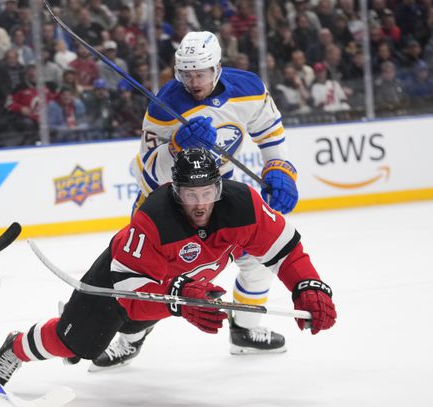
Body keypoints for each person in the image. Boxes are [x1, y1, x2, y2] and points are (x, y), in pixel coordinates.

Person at [0, 149, 336, 384]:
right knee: (77, 342)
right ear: (175, 192)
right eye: (190, 195)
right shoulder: (153, 219)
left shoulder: (244, 205)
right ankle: (17, 347)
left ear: (219, 187)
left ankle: (134, 334)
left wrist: (307, 285)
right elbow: (130, 295)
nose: (200, 204)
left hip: (175, 287)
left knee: (157, 309)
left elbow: (287, 251)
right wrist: (178, 299)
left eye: (207, 193)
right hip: (122, 283)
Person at [103, 30, 302, 370]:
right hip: (166, 203)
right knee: (150, 278)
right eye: (186, 74)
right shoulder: (166, 104)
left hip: (217, 194)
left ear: (217, 68)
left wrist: (279, 167)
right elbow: (150, 170)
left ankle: (245, 329)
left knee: (256, 259)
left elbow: (270, 131)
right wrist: (177, 146)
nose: (193, 81)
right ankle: (130, 339)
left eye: (200, 73)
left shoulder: (249, 89)